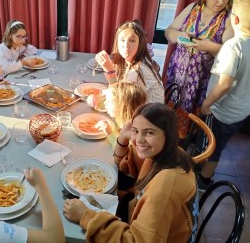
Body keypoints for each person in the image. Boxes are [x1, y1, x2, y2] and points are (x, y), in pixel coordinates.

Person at [63, 103, 198, 242]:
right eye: (135, 130)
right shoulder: (170, 152)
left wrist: (85, 216)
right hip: (141, 218)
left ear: (168, 135)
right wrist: (123, 137)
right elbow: (121, 163)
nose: (139, 140)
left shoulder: (166, 187)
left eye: (149, 132)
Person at [198, 0, 250, 189]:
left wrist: (207, 104)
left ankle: (203, 180)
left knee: (214, 146)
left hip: (223, 111)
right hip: (244, 109)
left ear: (234, 18)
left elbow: (225, 83)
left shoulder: (233, 47)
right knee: (222, 142)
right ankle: (206, 170)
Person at [164, 0, 236, 137]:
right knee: (167, 120)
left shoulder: (228, 19)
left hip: (199, 84)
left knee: (187, 131)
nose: (221, 1)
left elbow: (230, 53)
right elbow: (169, 32)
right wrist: (182, 36)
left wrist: (209, 47)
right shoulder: (192, 9)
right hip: (176, 76)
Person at [95, 20, 164, 103]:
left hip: (147, 114)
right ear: (117, 43)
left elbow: (118, 101)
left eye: (132, 40)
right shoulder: (134, 61)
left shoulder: (138, 70)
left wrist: (110, 71)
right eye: (122, 40)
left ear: (140, 44)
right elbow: (121, 87)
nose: (126, 45)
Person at [88, 81, 147, 149]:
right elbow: (99, 104)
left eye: (109, 101)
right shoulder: (125, 117)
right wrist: (92, 99)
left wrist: (110, 134)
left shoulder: (133, 133)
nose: (105, 103)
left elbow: (123, 153)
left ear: (123, 107)